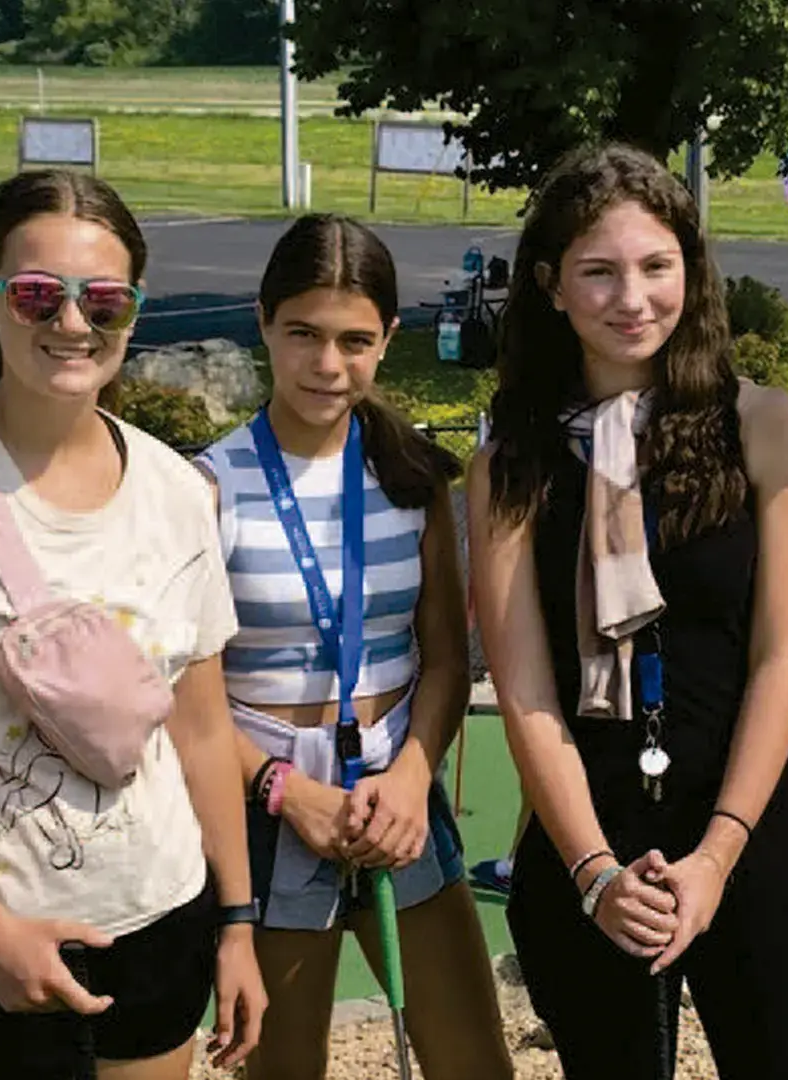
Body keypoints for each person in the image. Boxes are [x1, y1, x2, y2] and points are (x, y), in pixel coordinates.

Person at [0, 169, 266, 1080]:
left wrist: (235, 923)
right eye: (38, 293)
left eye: (104, 300)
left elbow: (200, 728)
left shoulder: (176, 490)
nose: (73, 323)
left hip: (161, 921)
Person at [467, 142, 788, 1078]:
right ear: (552, 286)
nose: (631, 298)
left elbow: (781, 659)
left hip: (749, 826)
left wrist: (717, 856)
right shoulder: (509, 460)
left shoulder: (766, 426)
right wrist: (594, 873)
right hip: (590, 838)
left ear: (691, 271)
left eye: (655, 267)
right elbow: (524, 689)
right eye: (598, 272)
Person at [195, 212, 513, 1080]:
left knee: (473, 1063)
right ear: (263, 322)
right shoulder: (206, 488)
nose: (327, 365)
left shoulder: (411, 476)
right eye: (302, 334)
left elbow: (446, 657)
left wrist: (413, 773)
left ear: (387, 341)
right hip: (274, 809)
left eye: (354, 340)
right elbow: (182, 698)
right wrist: (281, 790)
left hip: (395, 802)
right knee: (283, 1067)